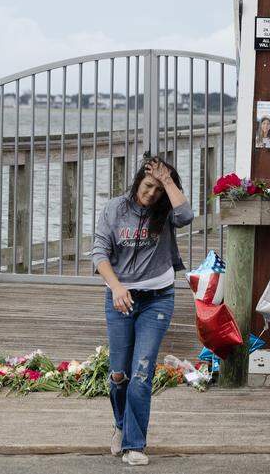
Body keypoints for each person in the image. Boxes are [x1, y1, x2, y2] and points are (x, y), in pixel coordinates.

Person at [90, 156, 193, 466]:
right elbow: (99, 252)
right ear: (137, 182)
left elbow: (186, 214)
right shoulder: (115, 209)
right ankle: (121, 425)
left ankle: (135, 445)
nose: (152, 194)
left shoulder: (165, 213)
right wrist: (117, 287)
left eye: (158, 190)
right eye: (148, 186)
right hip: (121, 299)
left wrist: (168, 181)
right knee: (119, 373)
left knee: (141, 373)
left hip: (158, 299)